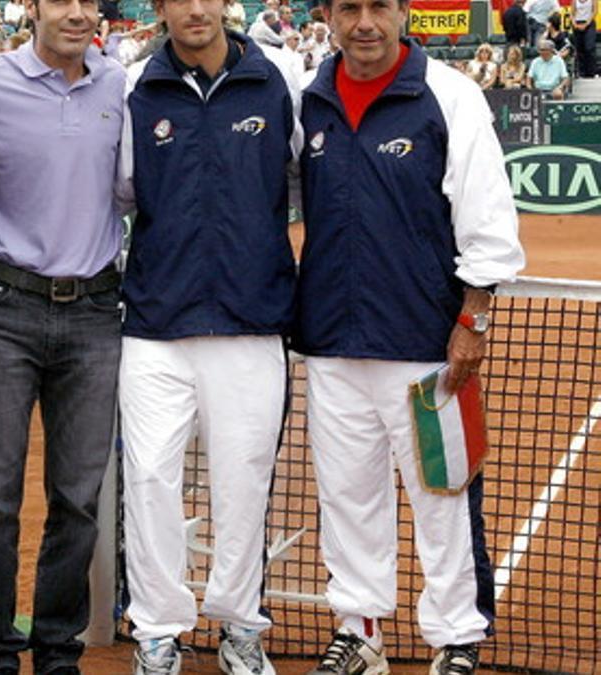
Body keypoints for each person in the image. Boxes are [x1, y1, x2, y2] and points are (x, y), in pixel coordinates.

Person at [296, 0, 525, 673]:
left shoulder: (449, 96)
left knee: (443, 496)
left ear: (402, 13)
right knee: (347, 496)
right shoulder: (309, 97)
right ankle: (360, 629)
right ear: (329, 16)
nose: (364, 22)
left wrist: (472, 321)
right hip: (333, 342)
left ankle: (455, 635)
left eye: (378, 7)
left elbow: (486, 215)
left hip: (428, 346)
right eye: (349, 9)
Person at [115, 0, 302, 671]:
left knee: (244, 484)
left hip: (252, 325)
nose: (195, 8)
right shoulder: (133, 87)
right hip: (156, 326)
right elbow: (122, 191)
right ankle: (158, 632)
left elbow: (309, 175)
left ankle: (241, 627)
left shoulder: (279, 79)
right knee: (149, 480)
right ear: (160, 9)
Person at [0, 0, 126, 670]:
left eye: (90, 1)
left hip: (94, 311)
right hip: (4, 306)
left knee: (78, 501)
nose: (78, 12)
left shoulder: (120, 84)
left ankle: (57, 648)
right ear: (33, 9)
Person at [571, 0, 597, 78]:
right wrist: (574, 23)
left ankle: (591, 72)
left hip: (589, 23)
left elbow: (595, 11)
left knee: (589, 47)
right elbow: (572, 13)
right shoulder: (575, 1)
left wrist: (586, 24)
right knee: (579, 48)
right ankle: (581, 72)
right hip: (577, 23)